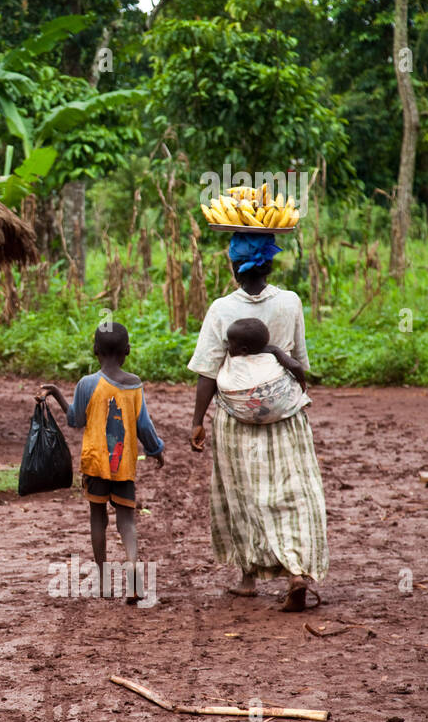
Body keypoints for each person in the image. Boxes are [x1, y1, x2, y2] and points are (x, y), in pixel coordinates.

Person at [188, 234, 328, 612]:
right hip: (285, 417)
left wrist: (198, 421)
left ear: (234, 266)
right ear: (270, 264)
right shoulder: (290, 302)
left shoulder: (221, 309)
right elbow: (300, 359)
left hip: (236, 419)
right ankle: (297, 569)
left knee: (242, 496)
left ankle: (248, 577)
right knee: (294, 492)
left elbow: (207, 370)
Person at [39, 321, 165, 604]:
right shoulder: (135, 385)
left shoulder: (87, 384)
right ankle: (133, 576)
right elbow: (144, 426)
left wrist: (57, 393)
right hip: (124, 465)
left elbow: (75, 420)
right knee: (127, 520)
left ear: (95, 350)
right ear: (127, 351)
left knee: (98, 517)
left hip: (95, 463)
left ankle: (104, 581)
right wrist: (156, 449)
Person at [215, 317, 311, 424]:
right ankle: (300, 401)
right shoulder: (272, 351)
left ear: (243, 350)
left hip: (242, 415)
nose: (227, 346)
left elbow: (221, 381)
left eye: (229, 343)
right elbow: (295, 366)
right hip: (279, 408)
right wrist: (302, 383)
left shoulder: (233, 362)